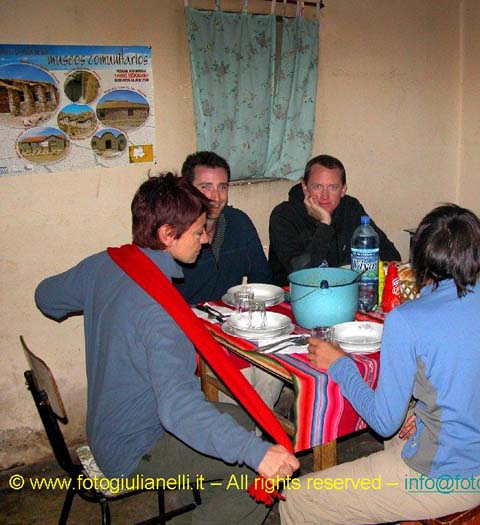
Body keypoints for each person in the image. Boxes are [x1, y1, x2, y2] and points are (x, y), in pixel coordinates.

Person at [35, 173, 299, 525]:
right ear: (167, 234)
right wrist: (257, 455)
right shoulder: (162, 314)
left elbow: (45, 297)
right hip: (135, 448)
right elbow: (179, 410)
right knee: (255, 476)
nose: (205, 240)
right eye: (198, 231)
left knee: (244, 419)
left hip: (107, 428)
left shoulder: (107, 263)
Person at [280, 204, 480, 524]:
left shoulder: (407, 319)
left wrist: (340, 364)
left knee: (297, 497)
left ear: (419, 258)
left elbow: (383, 422)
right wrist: (422, 412)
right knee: (405, 421)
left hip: (450, 478)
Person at [268, 154, 401, 285]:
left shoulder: (350, 208)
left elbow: (391, 256)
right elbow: (304, 276)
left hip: (347, 295)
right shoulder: (283, 216)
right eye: (317, 187)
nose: (325, 196)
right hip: (293, 300)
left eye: (333, 187)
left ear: (343, 190)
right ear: (304, 187)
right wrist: (325, 224)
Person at [175, 151, 272, 304]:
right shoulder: (174, 233)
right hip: (185, 321)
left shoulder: (239, 222)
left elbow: (263, 281)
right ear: (187, 189)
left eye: (222, 187)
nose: (216, 197)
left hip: (230, 320)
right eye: (205, 187)